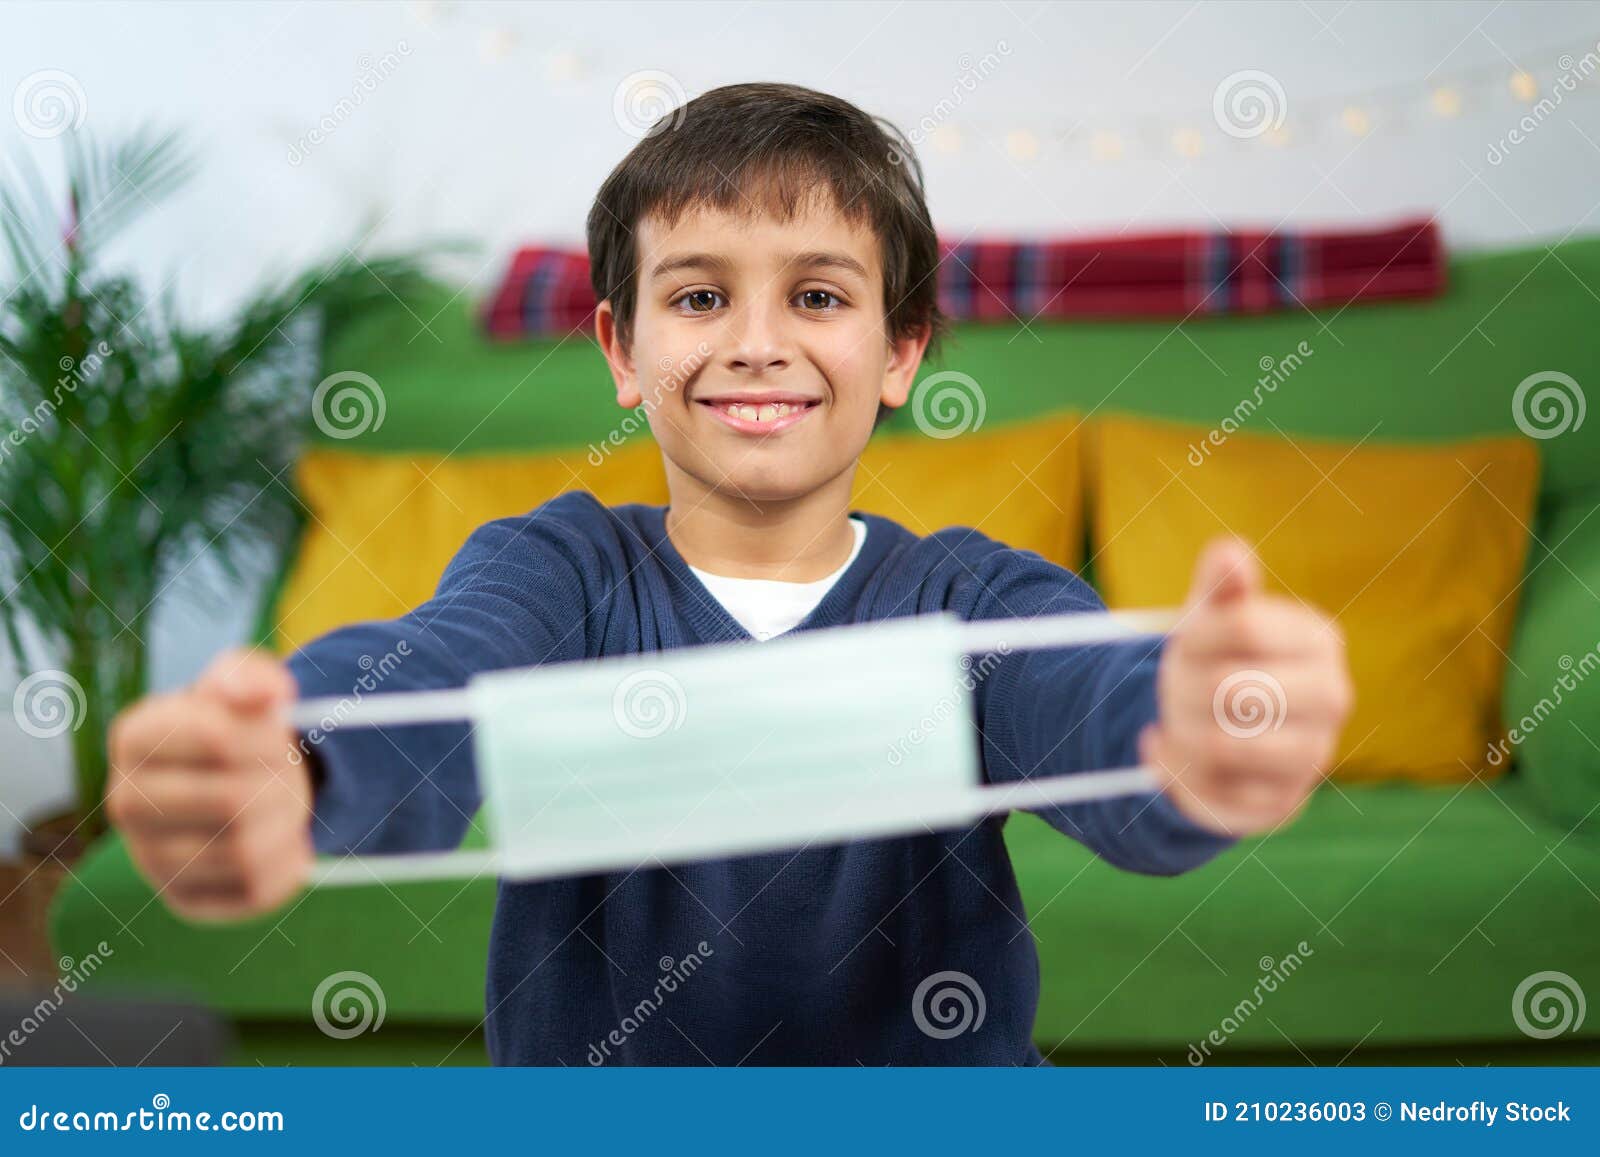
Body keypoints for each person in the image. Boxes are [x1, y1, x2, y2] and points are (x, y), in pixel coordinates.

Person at [106, 82, 1353, 1065]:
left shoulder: (973, 600)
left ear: (901, 346)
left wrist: (1198, 728)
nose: (758, 344)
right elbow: (425, 684)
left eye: (817, 294)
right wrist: (291, 765)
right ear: (622, 346)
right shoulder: (561, 570)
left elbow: (1097, 710)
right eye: (699, 296)